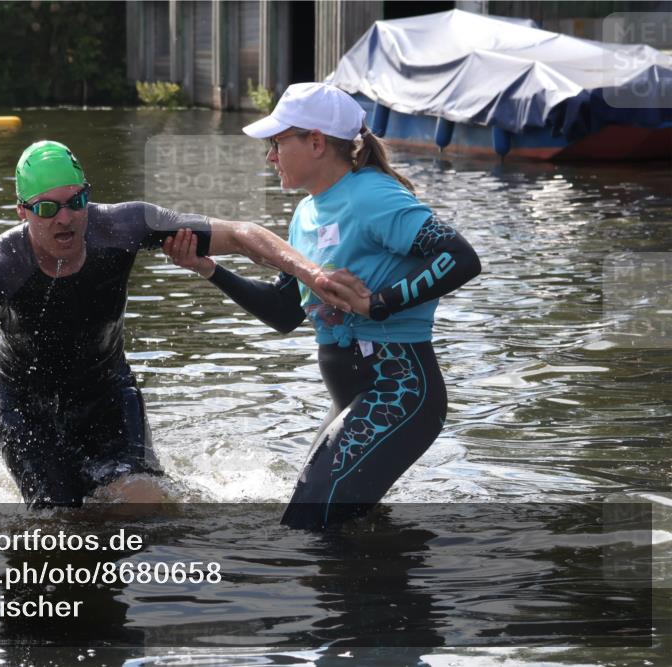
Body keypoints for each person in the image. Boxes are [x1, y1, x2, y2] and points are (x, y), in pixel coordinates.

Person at [0, 140, 367, 509]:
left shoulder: (121, 226)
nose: (66, 217)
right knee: (58, 521)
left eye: (76, 201)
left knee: (149, 504)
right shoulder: (1, 264)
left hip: (107, 391)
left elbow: (241, 233)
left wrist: (314, 275)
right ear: (22, 212)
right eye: (47, 209)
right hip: (26, 405)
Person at [163, 82, 482, 530]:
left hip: (400, 389)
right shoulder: (306, 215)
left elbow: (460, 257)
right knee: (320, 525)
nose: (269, 157)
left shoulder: (373, 196)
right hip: (352, 397)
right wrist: (210, 270)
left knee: (306, 528)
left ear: (316, 142)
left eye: (276, 143)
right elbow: (284, 310)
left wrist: (380, 304)